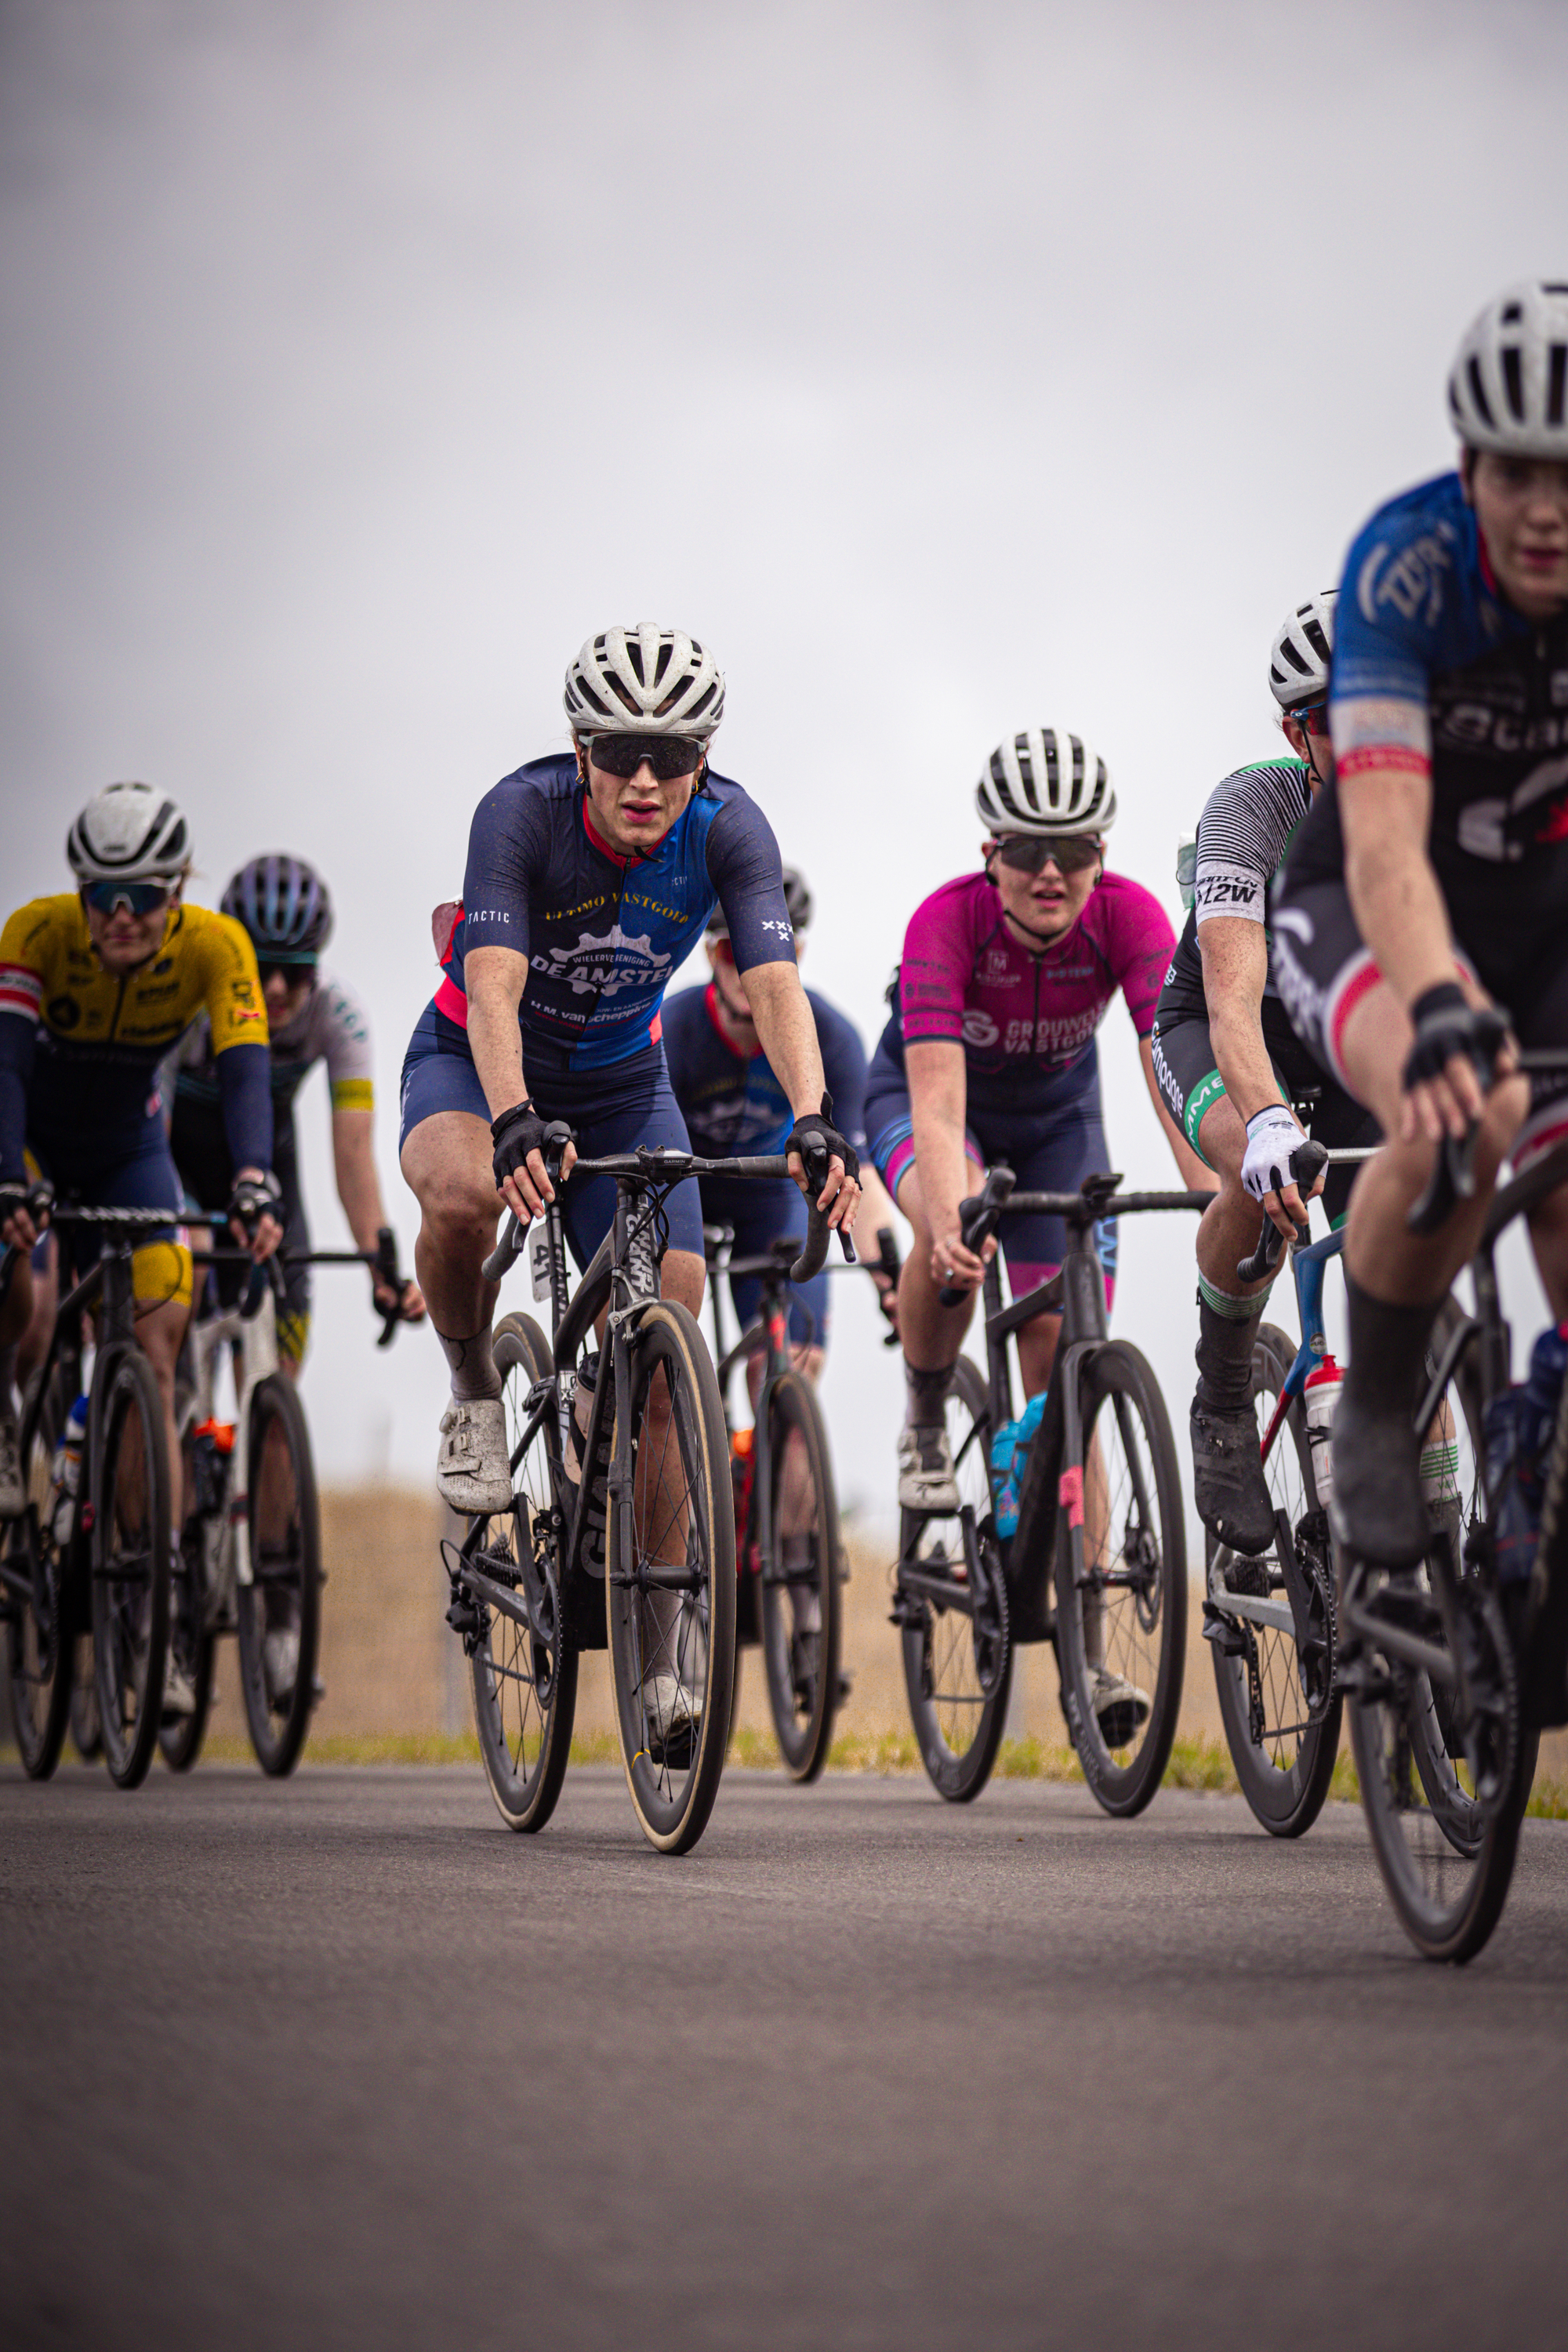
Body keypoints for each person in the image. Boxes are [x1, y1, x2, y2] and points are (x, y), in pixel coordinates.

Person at [398, 625, 861, 1582]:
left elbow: (776, 988)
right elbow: (490, 991)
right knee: (457, 1198)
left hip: (620, 1081)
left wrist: (811, 1117)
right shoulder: (520, 813)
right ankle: (476, 1386)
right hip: (479, 1058)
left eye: (674, 755)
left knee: (670, 1329)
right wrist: (513, 1113)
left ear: (706, 758)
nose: (644, 779)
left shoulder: (731, 827)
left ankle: (662, 1655)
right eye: (618, 753)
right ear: (581, 754)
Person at [1271, 279, 1568, 1568]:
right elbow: (1387, 840)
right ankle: (1383, 1402)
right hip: (1371, 899)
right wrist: (1438, 1003)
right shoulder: (1408, 567)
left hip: (1543, 911)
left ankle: (1538, 1453)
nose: (1548, 509)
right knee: (1471, 1102)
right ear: (1469, 468)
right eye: (1518, 474)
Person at [866, 726, 1210, 1523]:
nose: (1050, 871)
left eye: (1075, 849)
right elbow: (939, 1102)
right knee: (949, 1241)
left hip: (1058, 1122)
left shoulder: (1129, 917)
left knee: (1060, 1358)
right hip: (933, 1106)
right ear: (991, 853)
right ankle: (924, 1413)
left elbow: (1172, 1066)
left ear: (1100, 854)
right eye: (1026, 850)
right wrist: (953, 1215)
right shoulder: (943, 923)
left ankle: (1082, 1617)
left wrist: (1209, 1186)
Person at [0, 783, 281, 1708]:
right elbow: (3, 1067)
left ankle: (148, 1594)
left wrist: (250, 1177)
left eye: (144, 897)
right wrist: (11, 1177)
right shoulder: (34, 936)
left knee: (156, 1351)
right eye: (103, 896)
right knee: (33, 1308)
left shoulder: (215, 946)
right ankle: (14, 1416)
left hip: (129, 1153)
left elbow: (246, 1074)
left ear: (177, 890)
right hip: (30, 1143)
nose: (122, 918)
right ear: (80, 892)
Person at [1151, 596, 1382, 1555]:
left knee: (1395, 1291)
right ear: (1298, 732)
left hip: (1356, 1043)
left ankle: (1441, 1529)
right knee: (1256, 1181)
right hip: (1224, 1032)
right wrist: (1267, 1122)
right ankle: (1219, 1395)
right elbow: (1235, 1005)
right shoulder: (1252, 808)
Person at [169, 853, 424, 1371]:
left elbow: (353, 1154)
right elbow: (151, 1121)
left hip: (270, 1171)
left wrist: (381, 1264)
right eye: (261, 968)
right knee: (184, 1276)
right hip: (177, 1165)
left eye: (296, 970)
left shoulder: (338, 1015)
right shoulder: (189, 1005)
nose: (278, 988)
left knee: (280, 1365)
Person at [662, 866, 899, 1395]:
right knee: (665, 1371)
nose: (751, 969)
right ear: (709, 956)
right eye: (732, 952)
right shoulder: (672, 1030)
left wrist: (891, 1279)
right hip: (682, 1192)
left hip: (771, 1196)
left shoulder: (832, 1038)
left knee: (795, 1367)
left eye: (772, 953)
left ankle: (770, 1464)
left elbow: (859, 1174)